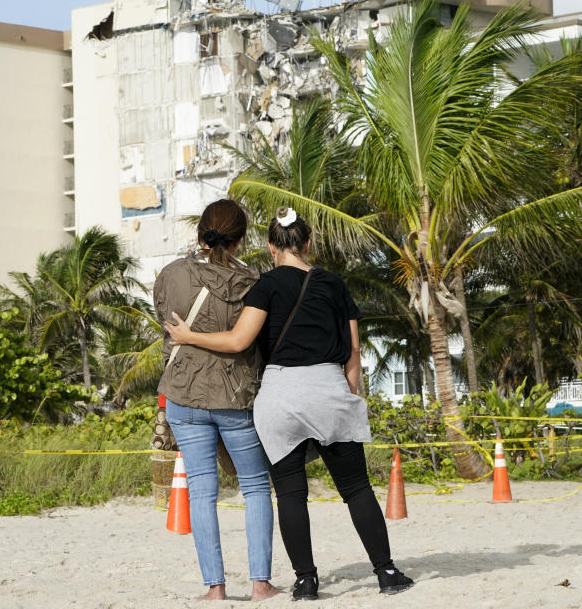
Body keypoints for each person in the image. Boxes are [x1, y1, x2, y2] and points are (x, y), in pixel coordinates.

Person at [165, 206, 414, 600]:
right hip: (328, 387)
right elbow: (353, 352)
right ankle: (386, 572)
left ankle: (305, 581)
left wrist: (187, 336)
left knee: (291, 494)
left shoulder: (264, 286)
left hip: (281, 395)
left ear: (270, 247)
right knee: (356, 488)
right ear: (308, 244)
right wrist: (349, 399)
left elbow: (237, 342)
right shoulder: (333, 284)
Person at [153, 199, 280, 602]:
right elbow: (256, 338)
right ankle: (261, 584)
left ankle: (215, 588)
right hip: (235, 394)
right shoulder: (253, 283)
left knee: (202, 491)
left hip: (184, 394)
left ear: (199, 234)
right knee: (256, 487)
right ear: (241, 240)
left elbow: (165, 323)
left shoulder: (171, 275)